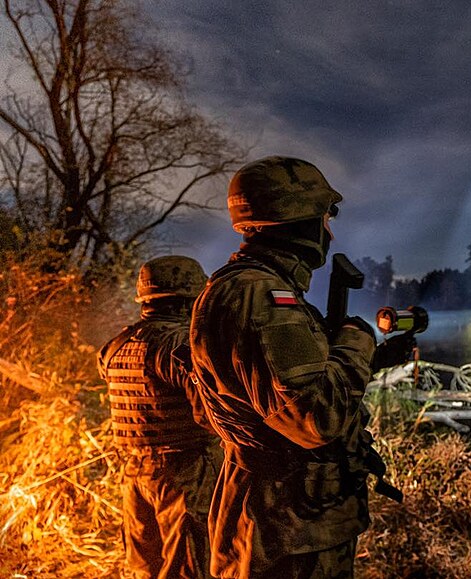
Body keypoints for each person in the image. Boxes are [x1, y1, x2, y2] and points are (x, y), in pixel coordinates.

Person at [190, 156, 403, 579]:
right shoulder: (263, 296)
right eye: (324, 218)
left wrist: (369, 357)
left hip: (279, 515)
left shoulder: (241, 288)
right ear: (298, 219)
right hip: (287, 528)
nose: (329, 231)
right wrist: (357, 340)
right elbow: (315, 418)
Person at [98, 255, 221, 579]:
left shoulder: (117, 345)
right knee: (188, 568)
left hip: (134, 474)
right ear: (190, 298)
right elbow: (211, 415)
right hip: (184, 474)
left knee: (145, 569)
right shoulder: (180, 345)